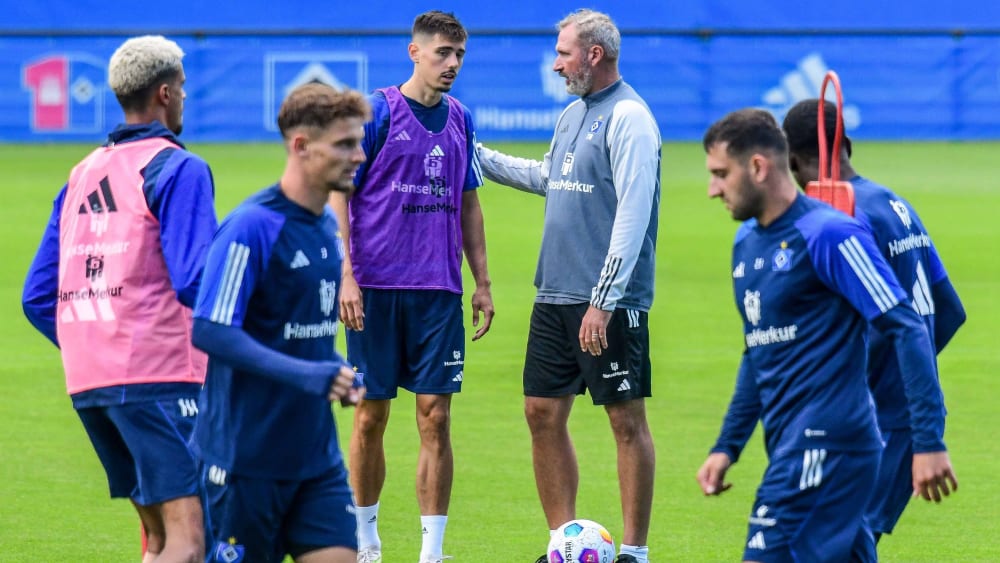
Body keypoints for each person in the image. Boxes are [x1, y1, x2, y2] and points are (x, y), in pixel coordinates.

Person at [696, 108, 958, 563]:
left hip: (829, 446)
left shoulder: (831, 234)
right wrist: (727, 445)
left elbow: (910, 325)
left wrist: (928, 439)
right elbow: (757, 351)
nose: (712, 189)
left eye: (721, 173)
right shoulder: (746, 244)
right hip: (790, 443)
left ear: (758, 167)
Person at [21, 35, 214, 561]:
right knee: (191, 541)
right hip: (162, 377)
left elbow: (38, 296)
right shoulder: (180, 168)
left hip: (91, 380)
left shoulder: (82, 173)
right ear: (167, 94)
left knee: (157, 540)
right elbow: (196, 280)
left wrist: (96, 342)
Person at [476, 9, 660, 563]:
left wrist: (604, 301)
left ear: (594, 55)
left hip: (607, 301)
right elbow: (548, 177)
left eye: (563, 53)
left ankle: (633, 552)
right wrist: (477, 157)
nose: (556, 64)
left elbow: (632, 215)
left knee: (625, 419)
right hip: (554, 293)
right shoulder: (573, 115)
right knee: (540, 413)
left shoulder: (630, 118)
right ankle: (564, 543)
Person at [327, 11, 494, 563]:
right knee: (370, 414)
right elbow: (338, 193)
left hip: (438, 293)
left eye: (460, 55)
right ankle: (367, 539)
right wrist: (346, 274)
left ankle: (432, 552)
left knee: (436, 417)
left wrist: (482, 282)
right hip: (374, 289)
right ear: (414, 52)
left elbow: (470, 203)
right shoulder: (376, 111)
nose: (453, 64)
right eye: (443, 52)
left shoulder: (462, 119)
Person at [190, 83, 366, 563]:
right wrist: (311, 375)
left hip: (316, 461)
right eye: (346, 144)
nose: (359, 155)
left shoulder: (327, 229)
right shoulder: (251, 227)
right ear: (301, 146)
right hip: (244, 462)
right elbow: (210, 329)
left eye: (359, 141)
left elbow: (301, 335)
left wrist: (337, 370)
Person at [782, 99, 966, 551]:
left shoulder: (841, 219)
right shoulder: (892, 203)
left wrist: (883, 376)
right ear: (846, 143)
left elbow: (909, 328)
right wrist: (909, 369)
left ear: (791, 160)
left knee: (832, 541)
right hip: (898, 414)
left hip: (881, 421)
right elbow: (949, 311)